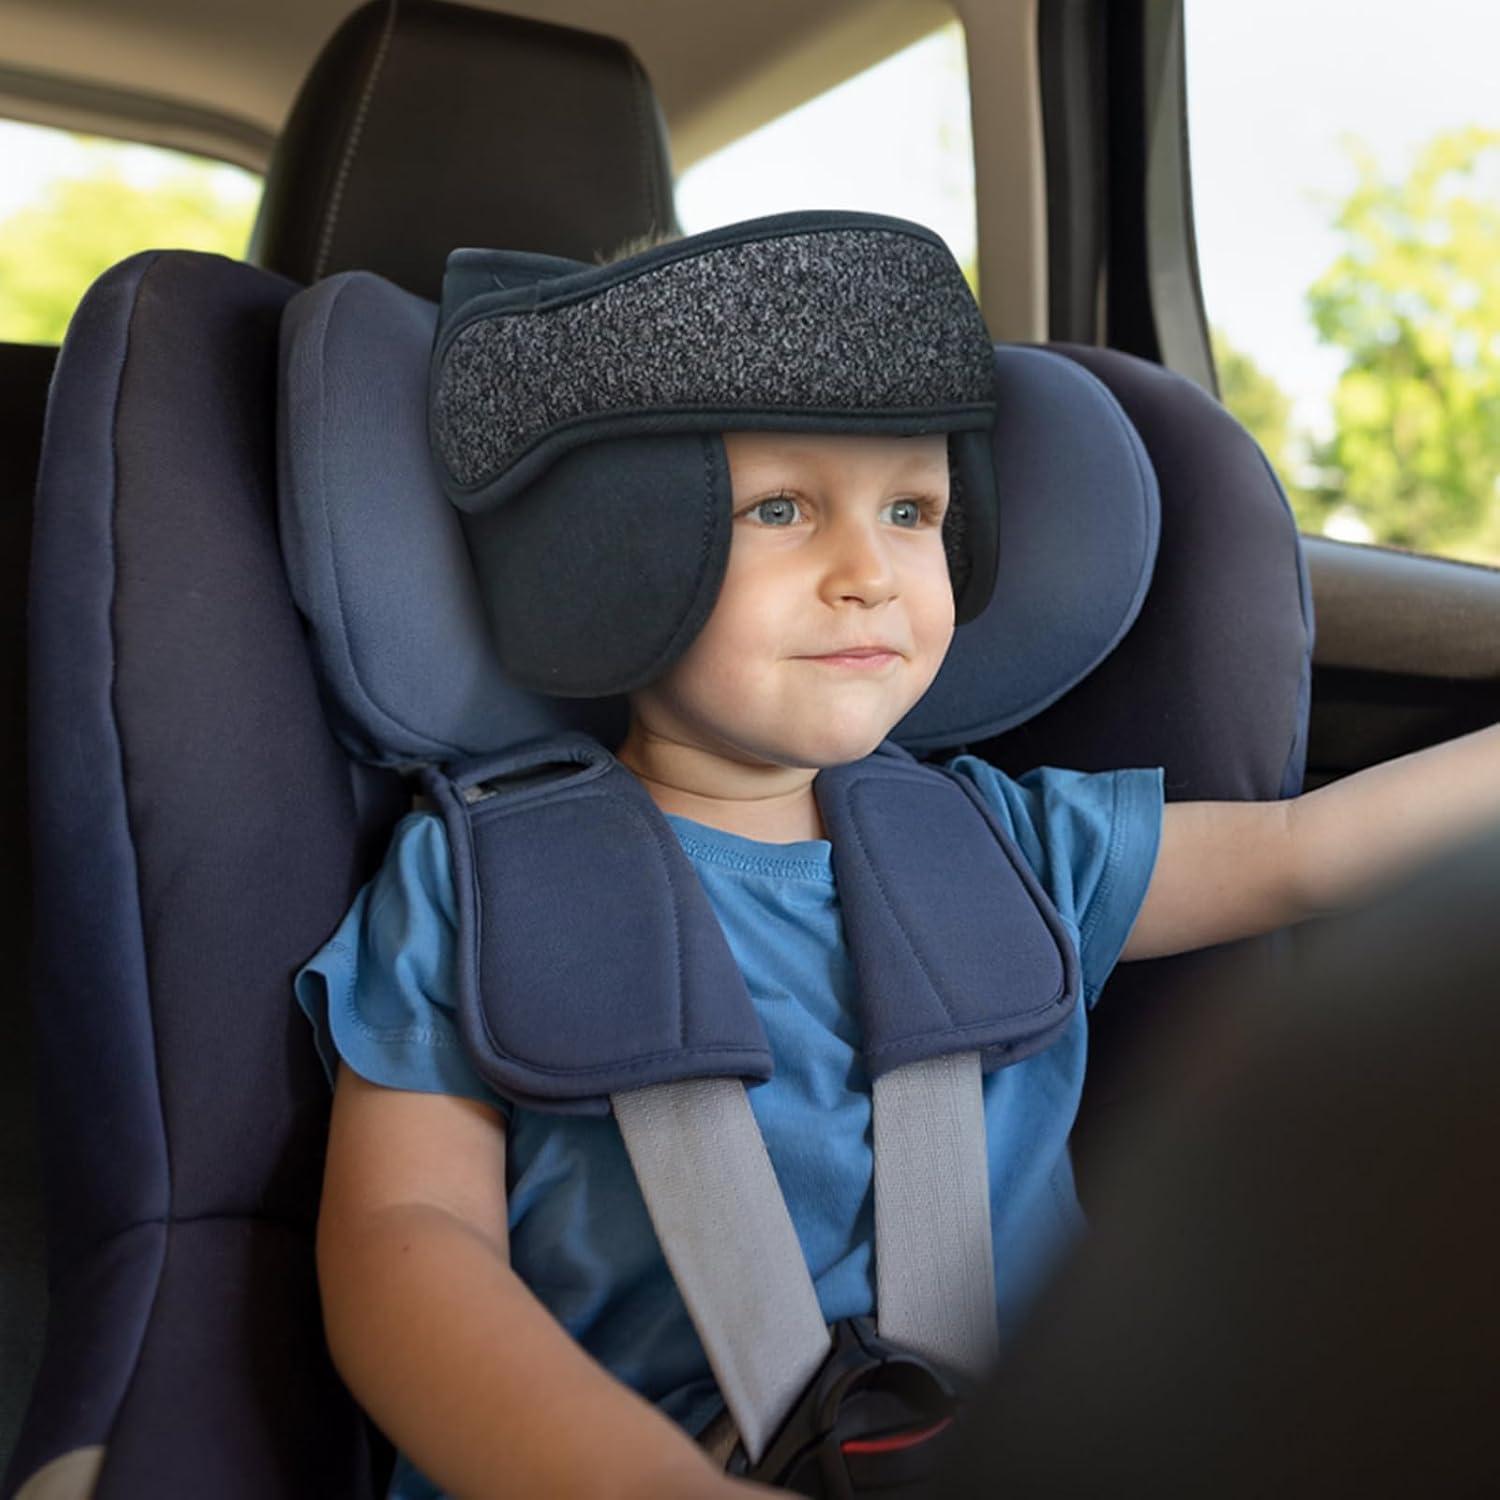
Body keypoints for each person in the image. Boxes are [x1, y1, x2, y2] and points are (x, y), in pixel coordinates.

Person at [291, 215, 1500, 1500]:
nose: (869, 571)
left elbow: (1303, 853)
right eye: (780, 508)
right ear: (605, 550)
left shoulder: (1007, 842)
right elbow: (404, 1243)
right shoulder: (476, 887)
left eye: (912, 508)